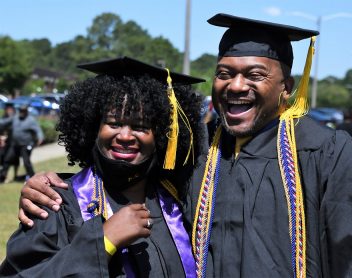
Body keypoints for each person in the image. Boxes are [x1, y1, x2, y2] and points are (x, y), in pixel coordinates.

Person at [16, 14, 352, 277]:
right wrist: (50, 184)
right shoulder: (196, 157)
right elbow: (121, 173)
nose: (235, 86)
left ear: (286, 87)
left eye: (255, 75)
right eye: (224, 73)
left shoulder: (326, 155)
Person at [0, 56, 205, 277]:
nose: (125, 136)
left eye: (140, 126)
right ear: (93, 127)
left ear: (163, 135)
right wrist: (103, 242)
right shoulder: (56, 204)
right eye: (114, 123)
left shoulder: (181, 202)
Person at [0, 104, 43, 182]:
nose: (21, 112)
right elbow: (4, 122)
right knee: (7, 160)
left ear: (26, 111)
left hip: (25, 145)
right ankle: (2, 177)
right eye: (20, 110)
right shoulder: (15, 118)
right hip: (15, 145)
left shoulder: (31, 120)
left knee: (26, 162)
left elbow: (38, 130)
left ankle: (32, 177)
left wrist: (40, 138)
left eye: (23, 111)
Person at [0, 102, 20, 181]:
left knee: (13, 160)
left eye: (11, 109)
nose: (9, 111)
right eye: (8, 109)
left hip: (15, 143)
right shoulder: (4, 118)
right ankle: (4, 176)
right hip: (6, 143)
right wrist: (1, 138)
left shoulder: (17, 118)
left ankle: (13, 176)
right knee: (4, 159)